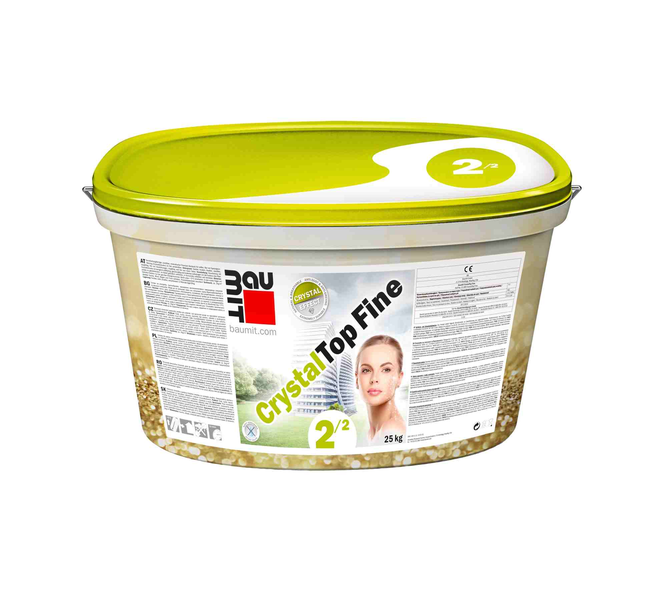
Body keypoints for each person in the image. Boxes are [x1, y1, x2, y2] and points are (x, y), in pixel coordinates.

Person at [355, 335, 406, 444]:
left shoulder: (392, 430)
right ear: (356, 379)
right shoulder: (371, 434)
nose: (374, 379)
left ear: (399, 378)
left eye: (386, 370)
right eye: (366, 370)